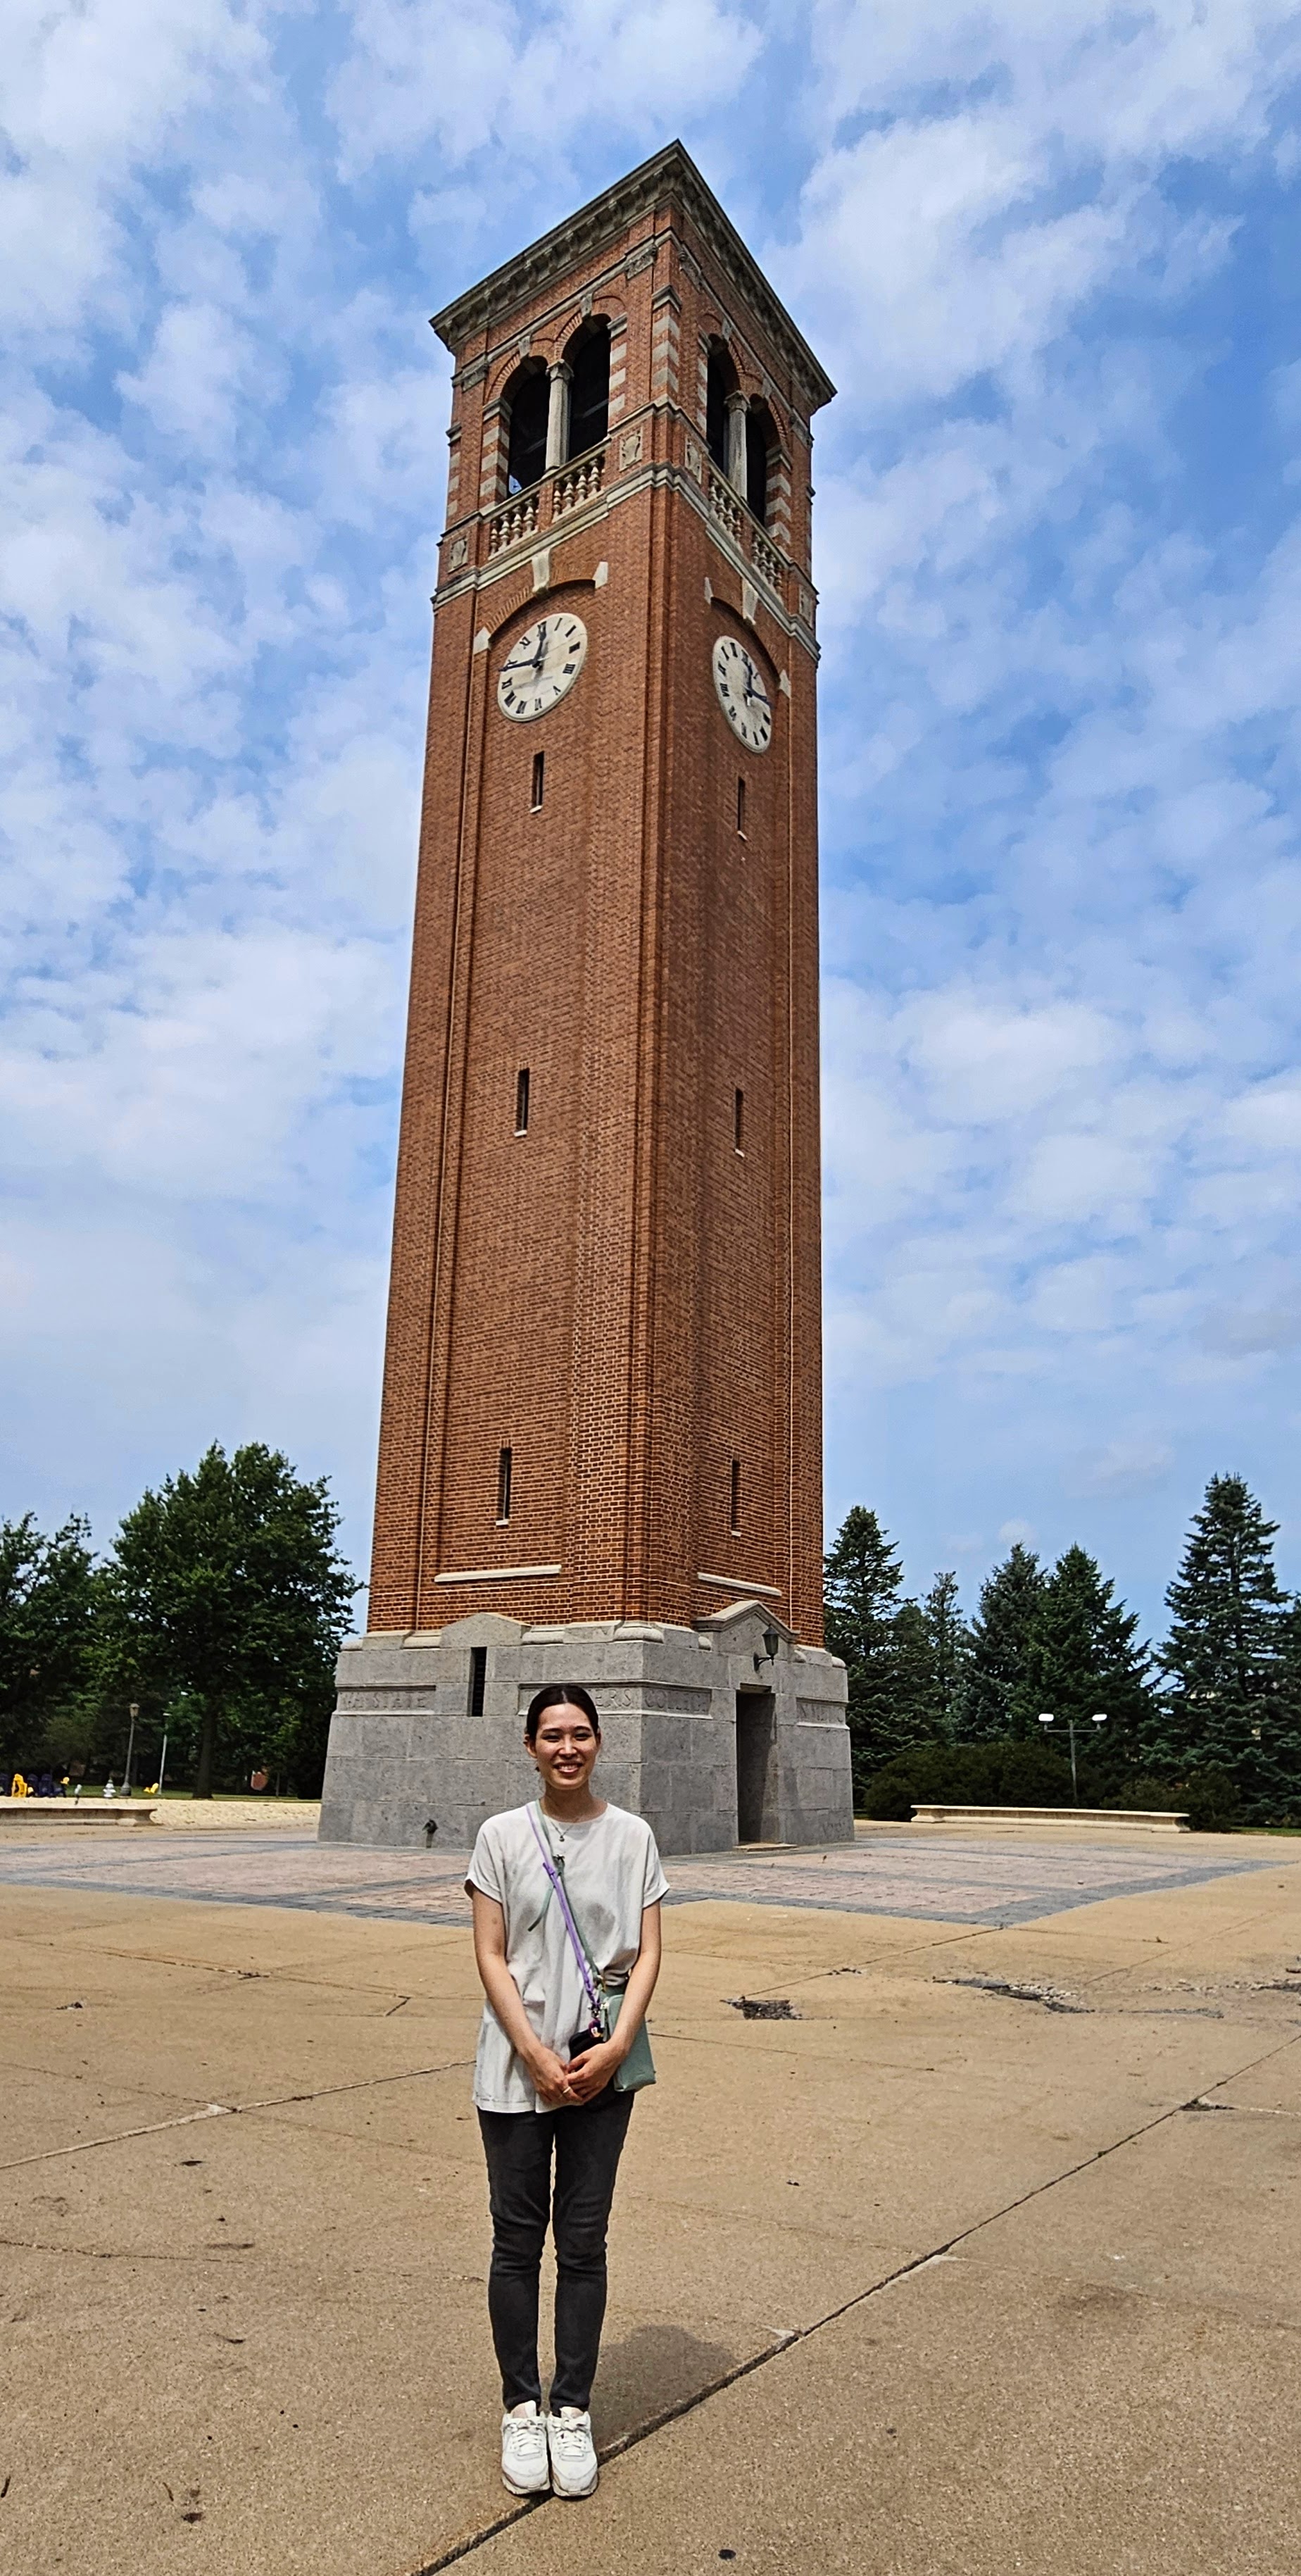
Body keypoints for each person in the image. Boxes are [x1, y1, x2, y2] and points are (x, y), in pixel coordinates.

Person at [466, 1682, 667, 2503]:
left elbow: (649, 1953)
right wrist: (531, 2050)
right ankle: (523, 2405)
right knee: (517, 2243)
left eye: (581, 1733)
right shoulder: (500, 1836)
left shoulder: (633, 1837)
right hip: (516, 2069)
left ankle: (572, 2407)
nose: (567, 1748)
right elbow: (488, 1953)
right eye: (552, 1735)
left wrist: (618, 2044)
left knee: (583, 2242)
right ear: (530, 1746)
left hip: (600, 2068)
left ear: (600, 1742)